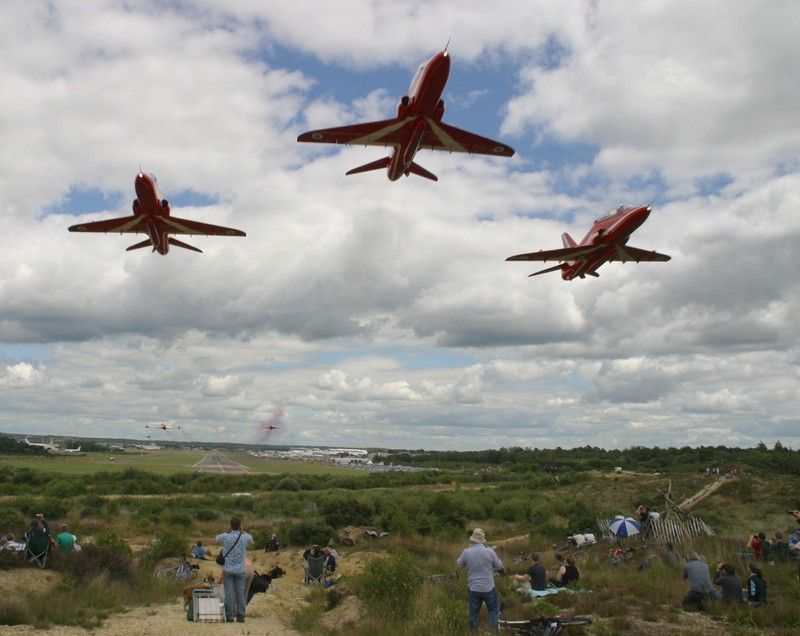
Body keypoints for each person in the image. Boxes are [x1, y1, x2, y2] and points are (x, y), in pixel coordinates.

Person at [456, 528, 503, 632]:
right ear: (482, 540)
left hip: (473, 588)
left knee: (473, 612)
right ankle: (489, 631)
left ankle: (473, 632)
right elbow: (499, 566)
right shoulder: (489, 551)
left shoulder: (467, 551)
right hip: (488, 587)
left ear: (472, 539)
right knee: (494, 609)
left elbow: (459, 564)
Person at [215, 517, 253, 623]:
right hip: (241, 570)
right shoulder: (245, 537)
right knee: (240, 593)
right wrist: (242, 530)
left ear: (230, 525)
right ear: (240, 526)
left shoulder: (226, 536)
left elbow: (216, 538)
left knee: (229, 594)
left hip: (228, 570)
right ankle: (241, 616)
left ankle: (230, 616)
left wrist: (228, 531)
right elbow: (251, 539)